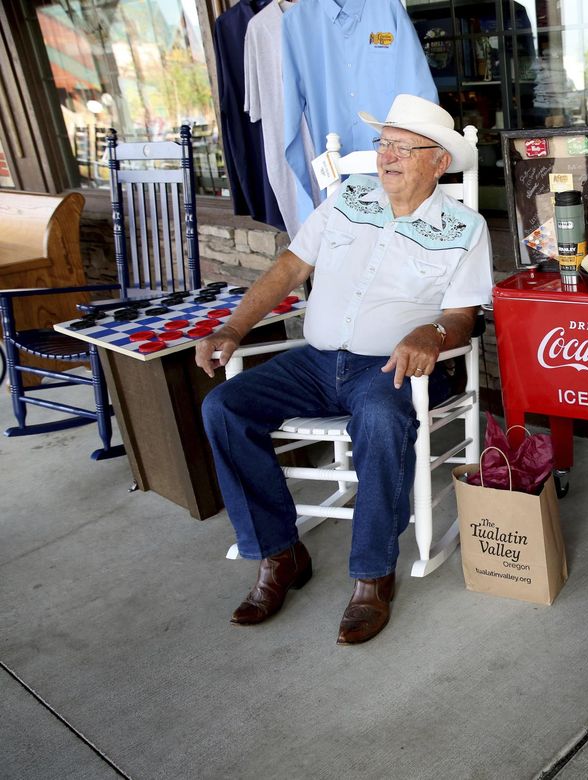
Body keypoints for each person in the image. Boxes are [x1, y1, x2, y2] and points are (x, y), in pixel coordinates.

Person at [196, 95, 492, 645]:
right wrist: (235, 327)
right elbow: (290, 266)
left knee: (380, 416)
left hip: (391, 369)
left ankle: (372, 576)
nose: (388, 156)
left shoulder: (465, 227)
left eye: (405, 147)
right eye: (384, 143)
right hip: (315, 362)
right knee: (224, 407)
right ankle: (279, 555)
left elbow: (461, 316)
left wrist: (433, 333)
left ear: (439, 162)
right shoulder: (347, 198)